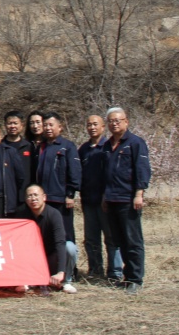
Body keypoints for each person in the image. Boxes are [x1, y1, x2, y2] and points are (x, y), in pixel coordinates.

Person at [102, 106, 152, 295]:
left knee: (133, 240)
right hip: (111, 199)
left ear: (126, 121)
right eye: (111, 121)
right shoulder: (107, 146)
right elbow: (105, 174)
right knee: (120, 240)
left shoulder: (135, 143)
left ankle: (136, 279)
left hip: (128, 199)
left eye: (118, 120)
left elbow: (142, 168)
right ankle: (127, 276)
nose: (114, 124)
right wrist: (104, 197)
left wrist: (139, 193)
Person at [78, 114, 122, 283]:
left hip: (106, 202)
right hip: (88, 201)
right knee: (91, 238)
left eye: (95, 124)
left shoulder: (108, 147)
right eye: (89, 125)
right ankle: (95, 270)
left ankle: (115, 272)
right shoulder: (83, 149)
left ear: (103, 127)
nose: (92, 127)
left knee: (111, 238)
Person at [15, 185, 78, 295]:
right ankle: (29, 280)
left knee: (70, 247)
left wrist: (60, 271)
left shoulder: (54, 214)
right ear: (25, 199)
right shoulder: (21, 214)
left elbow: (60, 242)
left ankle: (66, 281)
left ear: (44, 197)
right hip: (33, 258)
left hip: (51, 256)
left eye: (36, 195)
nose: (33, 198)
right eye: (29, 196)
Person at [35, 113, 81, 249]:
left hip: (61, 199)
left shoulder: (67, 146)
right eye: (45, 125)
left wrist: (70, 194)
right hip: (44, 199)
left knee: (64, 234)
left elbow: (75, 171)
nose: (48, 128)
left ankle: (68, 261)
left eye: (51, 125)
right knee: (46, 234)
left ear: (60, 127)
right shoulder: (41, 147)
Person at [1, 110, 32, 199]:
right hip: (5, 194)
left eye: (15, 123)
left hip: (25, 194)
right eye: (9, 123)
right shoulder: (0, 146)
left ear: (22, 125)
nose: (12, 126)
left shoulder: (28, 146)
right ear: (5, 125)